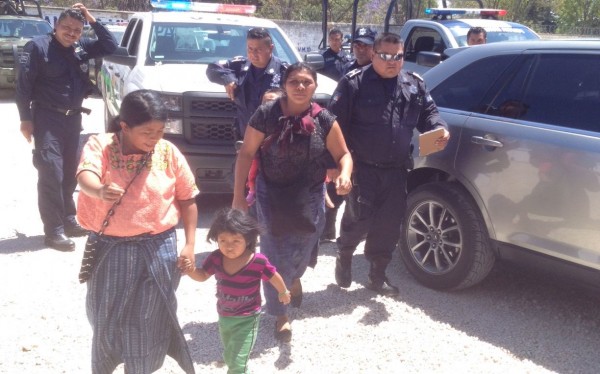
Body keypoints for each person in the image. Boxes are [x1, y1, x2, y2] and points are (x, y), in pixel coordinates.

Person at [76, 89, 198, 373]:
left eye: (160, 130)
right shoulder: (102, 146)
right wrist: (100, 190)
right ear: (124, 126)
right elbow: (85, 175)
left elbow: (188, 199)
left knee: (150, 318)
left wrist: (190, 244)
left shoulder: (168, 152)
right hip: (111, 248)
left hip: (159, 249)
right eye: (147, 131)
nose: (155, 138)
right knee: (106, 317)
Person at [232, 62, 353, 342]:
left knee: (307, 243)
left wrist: (345, 174)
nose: (300, 87)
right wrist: (238, 196)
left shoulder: (324, 119)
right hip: (270, 192)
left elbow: (343, 155)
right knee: (274, 252)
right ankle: (280, 314)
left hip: (309, 192)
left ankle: (293, 277)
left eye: (306, 82)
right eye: (294, 82)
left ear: (315, 86)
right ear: (284, 85)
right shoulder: (266, 114)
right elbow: (246, 154)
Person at [329, 32, 450, 297]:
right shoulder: (354, 83)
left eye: (398, 56)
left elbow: (429, 114)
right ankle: (345, 254)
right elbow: (333, 125)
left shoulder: (413, 84)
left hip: (396, 169)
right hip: (364, 168)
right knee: (359, 219)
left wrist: (438, 128)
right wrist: (334, 164)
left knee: (388, 225)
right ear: (373, 54)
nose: (392, 61)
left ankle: (377, 275)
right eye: (385, 56)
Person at [16, 4, 118, 251]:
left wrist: (90, 17)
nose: (71, 33)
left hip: (73, 120)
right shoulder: (38, 47)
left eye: (76, 30)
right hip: (46, 119)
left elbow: (110, 45)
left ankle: (69, 219)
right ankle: (54, 231)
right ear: (55, 26)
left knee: (71, 169)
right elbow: (23, 85)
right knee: (51, 171)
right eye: (66, 28)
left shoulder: (80, 48)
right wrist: (25, 119)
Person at [179, 208, 290, 373]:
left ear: (248, 239)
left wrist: (283, 292)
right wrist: (190, 270)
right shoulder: (216, 258)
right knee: (231, 353)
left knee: (238, 361)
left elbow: (274, 276)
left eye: (235, 241)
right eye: (223, 240)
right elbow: (202, 275)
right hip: (224, 317)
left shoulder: (257, 262)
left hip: (248, 318)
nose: (229, 247)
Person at [206, 27, 288, 139]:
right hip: (245, 138)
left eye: (259, 50)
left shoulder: (285, 71)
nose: (253, 54)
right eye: (250, 49)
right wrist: (228, 79)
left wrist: (281, 97)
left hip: (273, 141)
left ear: (270, 48)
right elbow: (212, 68)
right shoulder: (240, 65)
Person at [245, 87, 285, 207]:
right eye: (265, 102)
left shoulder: (290, 120)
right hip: (261, 161)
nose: (268, 105)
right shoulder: (258, 120)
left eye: (272, 101)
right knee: (251, 172)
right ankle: (251, 191)